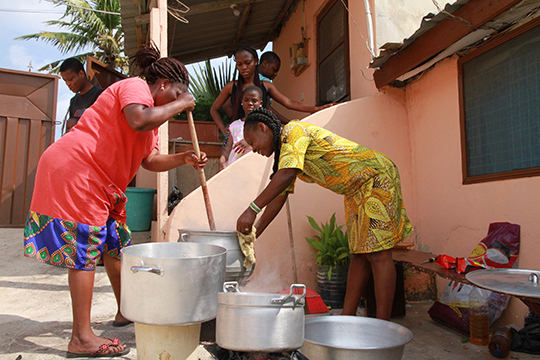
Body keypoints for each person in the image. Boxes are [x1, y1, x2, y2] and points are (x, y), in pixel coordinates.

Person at [23, 44, 207, 357]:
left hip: (104, 183)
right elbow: (138, 120)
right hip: (78, 170)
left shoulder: (153, 118)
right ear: (162, 85)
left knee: (115, 246)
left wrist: (184, 159)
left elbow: (149, 159)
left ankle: (126, 310)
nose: (178, 103)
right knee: (84, 249)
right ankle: (81, 337)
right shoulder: (135, 88)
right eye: (176, 95)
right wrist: (181, 105)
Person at [236, 108, 413, 321]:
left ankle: (383, 325)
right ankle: (347, 318)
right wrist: (254, 234)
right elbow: (279, 196)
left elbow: (285, 176)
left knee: (378, 255)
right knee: (358, 255)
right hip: (356, 190)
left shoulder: (294, 130)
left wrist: (251, 210)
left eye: (252, 141)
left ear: (263, 128)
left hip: (376, 178)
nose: (253, 148)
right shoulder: (287, 155)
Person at [210, 44, 334, 136]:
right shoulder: (231, 87)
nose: (244, 67)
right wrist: (224, 128)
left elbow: (288, 103)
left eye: (248, 63)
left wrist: (316, 109)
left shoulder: (266, 85)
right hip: (239, 136)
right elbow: (214, 109)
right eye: (239, 64)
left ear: (256, 62)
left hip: (263, 134)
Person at [219, 86, 263, 170]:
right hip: (233, 168)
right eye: (246, 100)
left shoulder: (263, 124)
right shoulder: (235, 125)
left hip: (253, 169)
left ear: (260, 103)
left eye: (254, 101)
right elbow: (228, 148)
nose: (250, 103)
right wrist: (222, 160)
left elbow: (267, 141)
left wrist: (249, 141)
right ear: (242, 102)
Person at [59, 58, 104, 133]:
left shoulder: (100, 95)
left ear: (81, 74)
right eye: (65, 81)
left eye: (70, 79)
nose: (68, 84)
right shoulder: (73, 101)